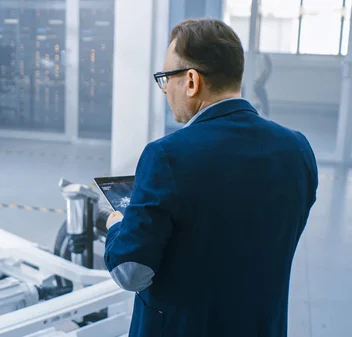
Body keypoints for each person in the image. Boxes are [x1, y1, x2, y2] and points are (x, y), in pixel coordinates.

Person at [103, 18, 318, 337]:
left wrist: (117, 225)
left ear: (191, 81)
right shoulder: (298, 149)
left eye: (165, 78)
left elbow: (130, 272)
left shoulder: (167, 156)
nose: (165, 90)